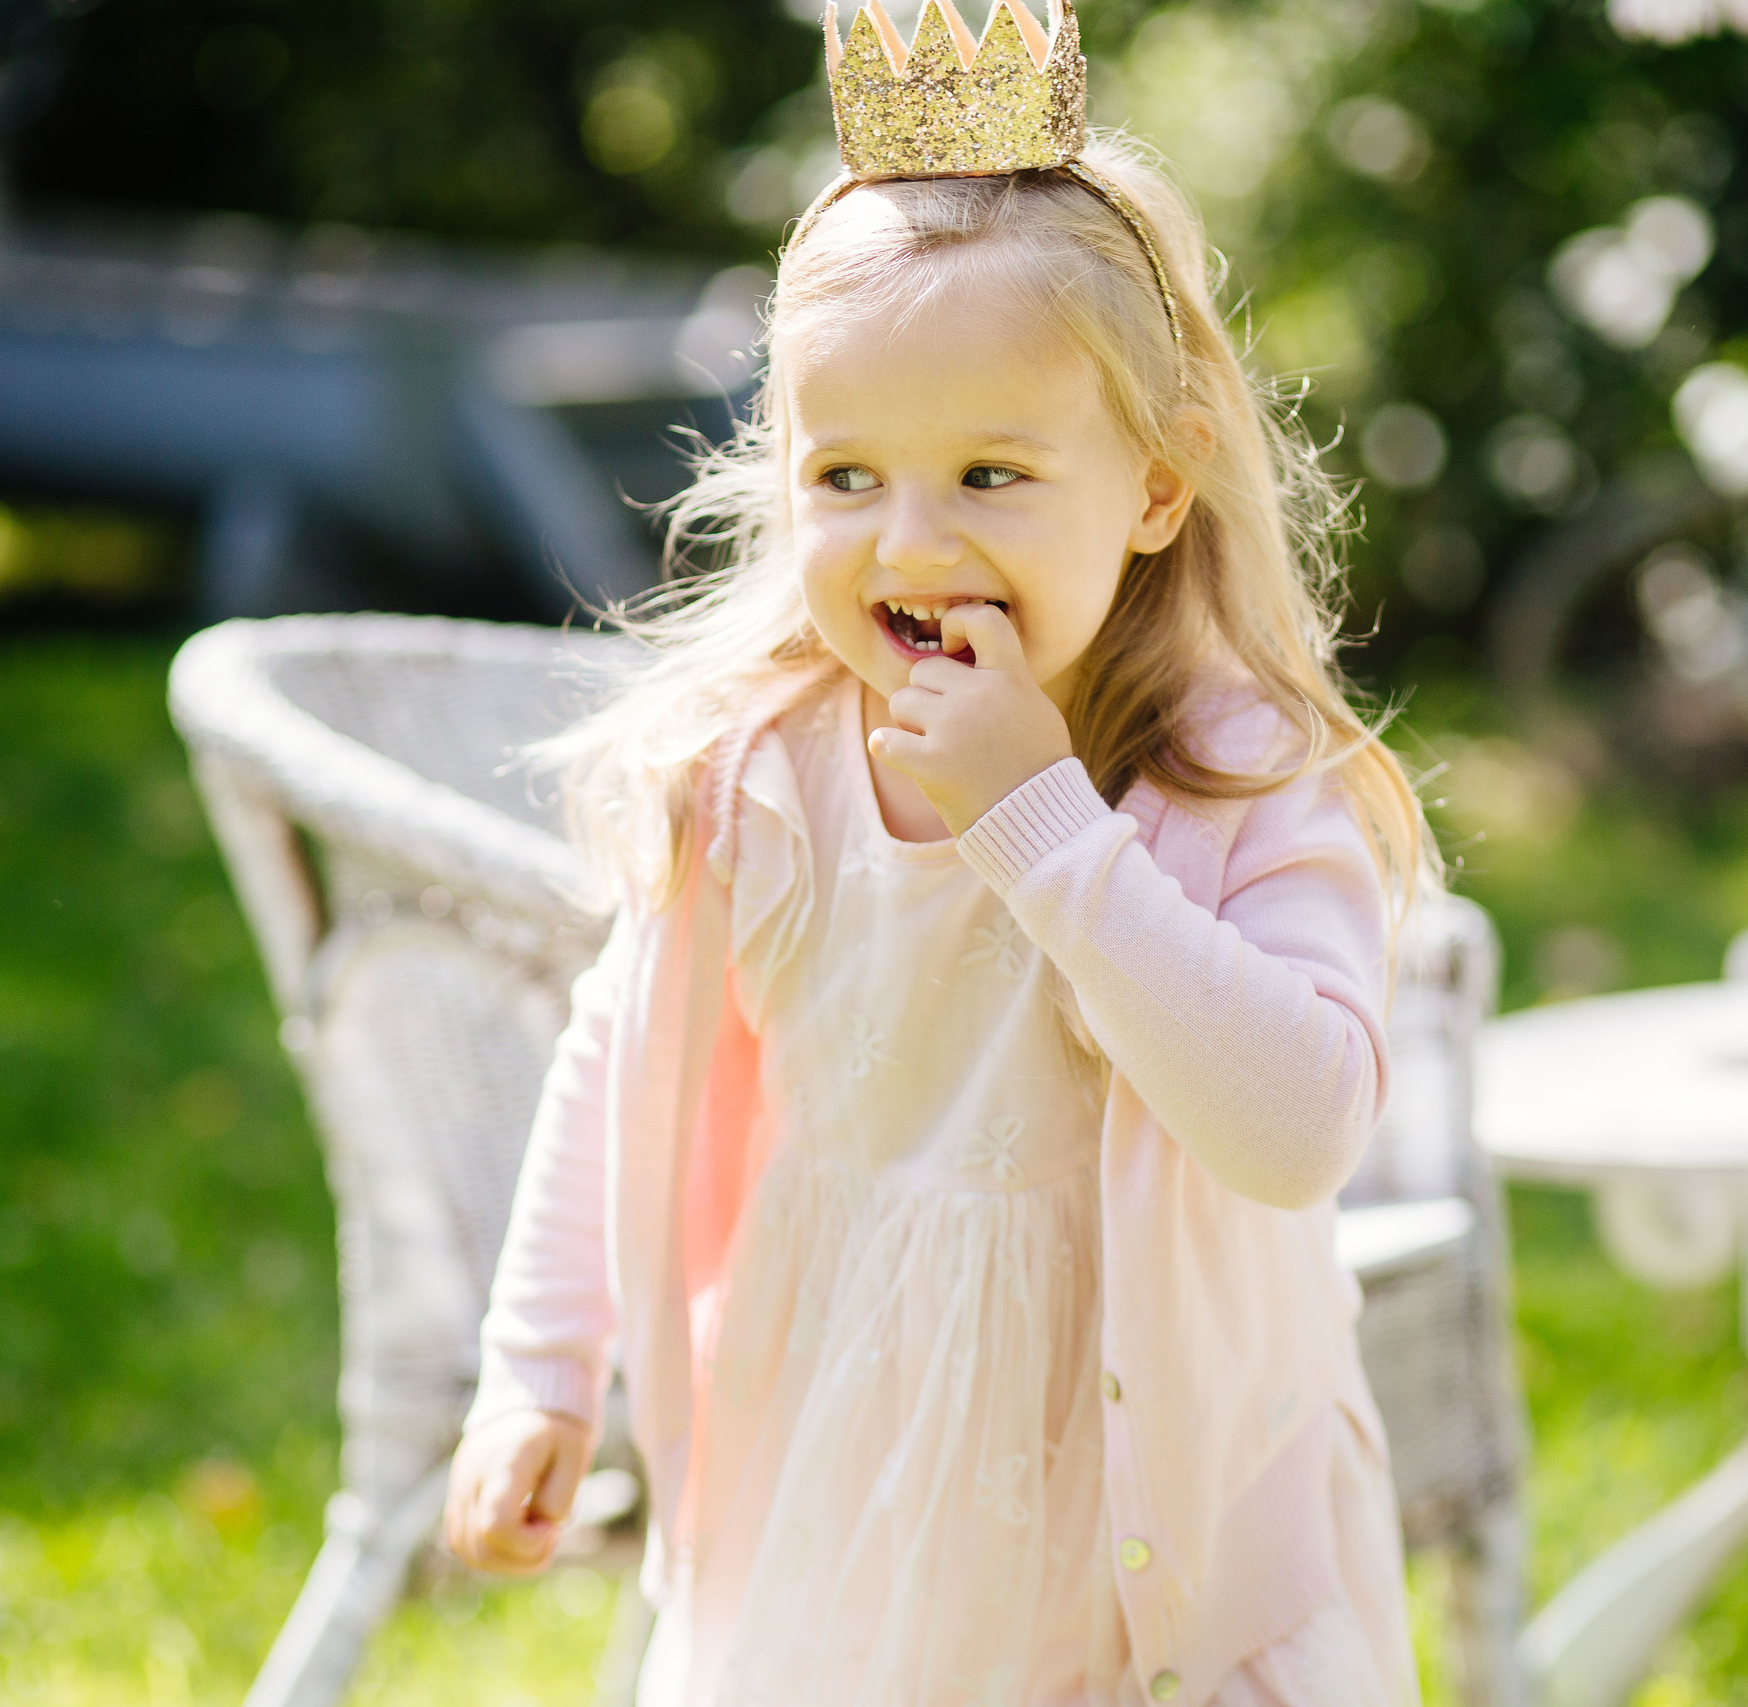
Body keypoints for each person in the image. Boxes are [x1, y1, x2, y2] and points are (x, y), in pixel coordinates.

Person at [445, 5, 1439, 1700]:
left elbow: (1298, 1130)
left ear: (1155, 481)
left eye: (990, 472)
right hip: (841, 1456)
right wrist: (542, 1367)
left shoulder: (1240, 783)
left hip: (1151, 1531)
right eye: (848, 475)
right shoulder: (760, 774)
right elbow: (617, 1052)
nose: (914, 542)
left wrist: (1041, 821)